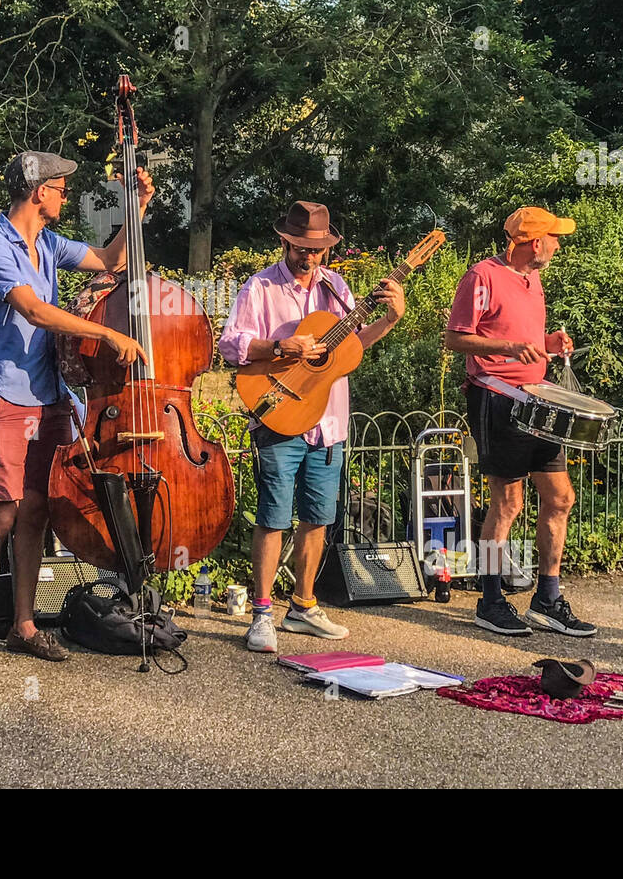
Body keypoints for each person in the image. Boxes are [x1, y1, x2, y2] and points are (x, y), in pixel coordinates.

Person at [0, 151, 151, 674]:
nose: (66, 194)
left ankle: (23, 626)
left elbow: (112, 262)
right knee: (1, 512)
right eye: (61, 187)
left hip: (51, 395)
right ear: (37, 191)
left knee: (37, 512)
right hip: (9, 393)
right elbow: (35, 311)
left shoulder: (48, 242)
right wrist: (107, 333)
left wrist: (138, 206)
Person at [217, 201, 405, 653]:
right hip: (281, 415)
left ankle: (302, 605)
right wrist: (281, 347)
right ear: (285, 241)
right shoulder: (260, 287)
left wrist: (390, 319)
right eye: (302, 247)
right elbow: (229, 344)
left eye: (318, 250)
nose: (310, 257)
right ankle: (262, 613)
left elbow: (348, 351)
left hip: (328, 422)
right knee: (273, 518)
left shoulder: (336, 289)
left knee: (318, 518)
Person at [443, 206, 597, 638]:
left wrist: (546, 344)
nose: (558, 244)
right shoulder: (482, 276)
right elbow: (456, 337)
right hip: (495, 399)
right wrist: (510, 347)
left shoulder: (533, 280)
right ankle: (490, 601)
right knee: (507, 503)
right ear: (534, 242)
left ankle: (547, 599)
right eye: (554, 237)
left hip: (538, 399)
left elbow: (526, 341)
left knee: (560, 496)